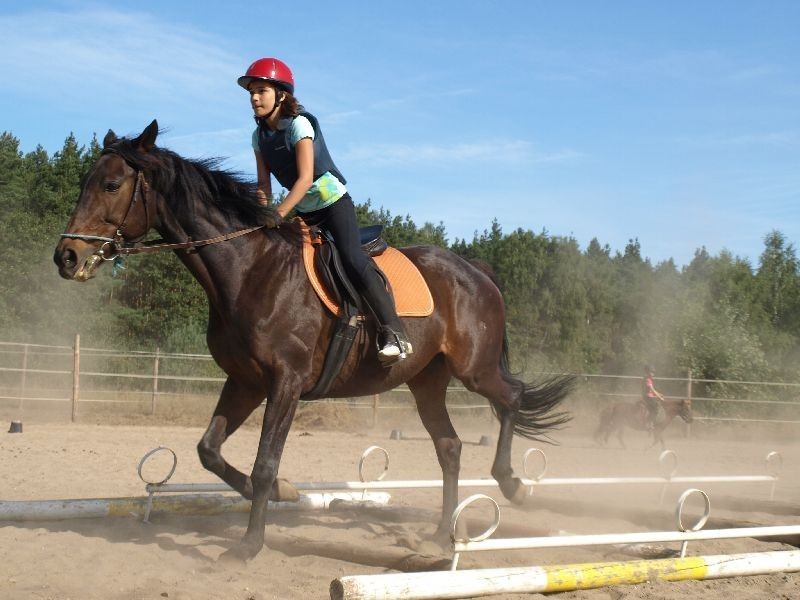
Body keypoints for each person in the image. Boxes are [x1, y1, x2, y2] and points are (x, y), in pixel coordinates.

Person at [237, 57, 412, 364]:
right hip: (304, 211)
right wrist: (259, 216)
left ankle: (394, 332)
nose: (253, 97)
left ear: (281, 94)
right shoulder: (258, 137)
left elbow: (305, 179)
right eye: (251, 91)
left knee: (351, 258)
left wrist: (279, 215)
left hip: (332, 204)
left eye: (261, 90)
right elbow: (263, 185)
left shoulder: (299, 125)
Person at [641, 364, 665, 431]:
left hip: (648, 396)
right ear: (648, 372)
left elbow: (652, 390)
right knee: (655, 410)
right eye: (651, 372)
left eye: (653, 372)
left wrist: (660, 394)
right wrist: (660, 397)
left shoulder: (647, 379)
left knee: (656, 406)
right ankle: (648, 423)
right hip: (648, 397)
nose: (653, 373)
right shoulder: (648, 380)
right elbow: (652, 390)